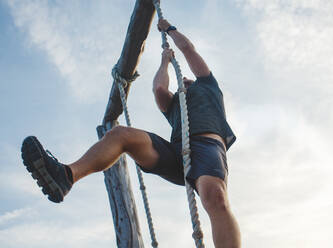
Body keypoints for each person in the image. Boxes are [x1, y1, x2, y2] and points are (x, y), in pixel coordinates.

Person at [21, 19, 241, 248]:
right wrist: (165, 61)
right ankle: (65, 176)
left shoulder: (208, 86)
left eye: (188, 80)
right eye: (181, 82)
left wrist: (170, 30)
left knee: (214, 196)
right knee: (120, 135)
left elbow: (188, 49)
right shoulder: (176, 104)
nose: (184, 81)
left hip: (208, 146)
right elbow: (159, 89)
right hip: (177, 153)